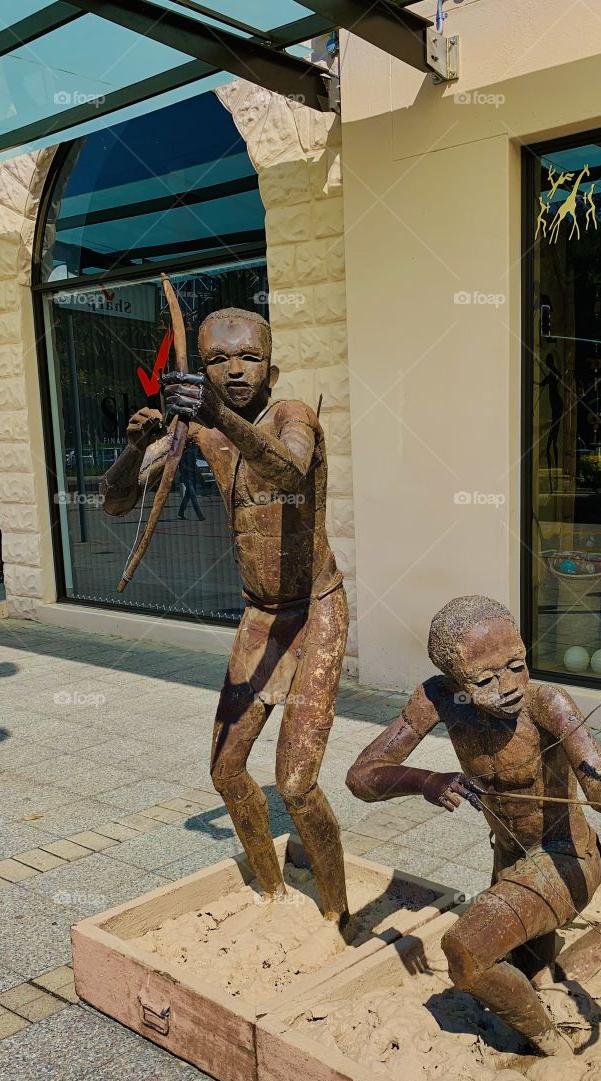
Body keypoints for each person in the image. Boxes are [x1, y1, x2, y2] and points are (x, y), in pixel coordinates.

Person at [346, 596, 601, 1056]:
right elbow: (360, 777)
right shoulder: (439, 698)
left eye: (517, 664)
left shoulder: (547, 704)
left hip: (565, 856)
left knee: (466, 951)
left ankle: (553, 1053)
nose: (510, 685)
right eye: (485, 679)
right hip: (511, 859)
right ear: (455, 680)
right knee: (536, 974)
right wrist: (424, 780)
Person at [100, 308, 350, 931]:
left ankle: (338, 909)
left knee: (294, 783)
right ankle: (270, 888)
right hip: (260, 617)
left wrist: (215, 415)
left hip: (315, 610)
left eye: (249, 358)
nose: (235, 370)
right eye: (218, 360)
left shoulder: (295, 417)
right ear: (201, 367)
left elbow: (286, 470)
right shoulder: (202, 428)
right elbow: (115, 500)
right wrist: (137, 446)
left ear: (272, 364)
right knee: (226, 769)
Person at [177, 444, 205, 521]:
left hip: (191, 476)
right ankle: (200, 515)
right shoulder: (184, 453)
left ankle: (180, 513)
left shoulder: (191, 453)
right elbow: (182, 465)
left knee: (188, 495)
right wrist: (191, 470)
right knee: (193, 495)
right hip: (187, 476)